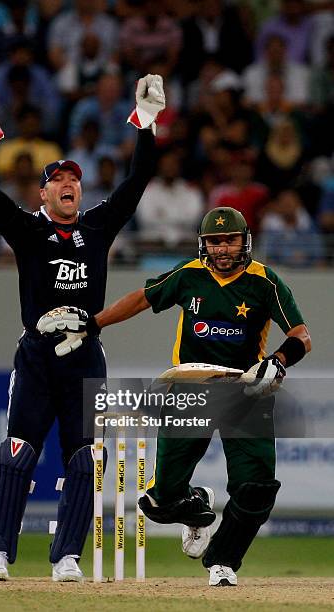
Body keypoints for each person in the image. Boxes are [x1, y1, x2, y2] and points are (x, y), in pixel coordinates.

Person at [0, 73, 165, 582]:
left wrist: (146, 123)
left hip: (84, 356)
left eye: (74, 178)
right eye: (58, 179)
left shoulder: (96, 226)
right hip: (36, 354)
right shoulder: (29, 230)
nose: (70, 183)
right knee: (17, 452)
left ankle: (68, 556)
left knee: (83, 460)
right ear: (43, 192)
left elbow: (137, 181)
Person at [45, 206, 311, 586]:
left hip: (245, 392)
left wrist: (278, 362)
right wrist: (92, 324)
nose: (221, 249)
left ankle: (223, 562)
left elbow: (302, 335)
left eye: (229, 240)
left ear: (244, 241)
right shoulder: (189, 275)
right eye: (214, 242)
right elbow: (142, 298)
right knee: (159, 500)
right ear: (203, 244)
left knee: (255, 489)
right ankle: (196, 509)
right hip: (190, 390)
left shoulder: (264, 282)